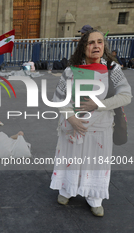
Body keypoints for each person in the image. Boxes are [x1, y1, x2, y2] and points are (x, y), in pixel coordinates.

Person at [50, 30, 132, 217]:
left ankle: (94, 198)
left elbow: (126, 95)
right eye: (91, 42)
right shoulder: (70, 71)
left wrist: (98, 104)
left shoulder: (113, 69)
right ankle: (66, 190)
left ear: (104, 45)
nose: (96, 46)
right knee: (70, 159)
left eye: (100, 42)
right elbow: (58, 98)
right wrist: (70, 117)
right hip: (72, 127)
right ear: (83, 47)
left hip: (99, 129)